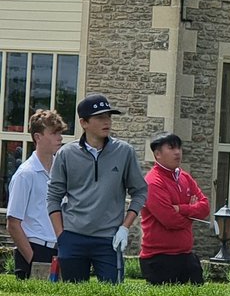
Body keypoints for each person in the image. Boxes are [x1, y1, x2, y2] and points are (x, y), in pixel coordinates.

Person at [46, 93, 147, 282]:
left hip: (109, 239)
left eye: (108, 116)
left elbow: (140, 191)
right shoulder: (66, 154)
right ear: (83, 122)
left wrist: (125, 227)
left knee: (113, 295)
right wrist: (61, 235)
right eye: (100, 117)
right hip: (73, 238)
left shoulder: (124, 152)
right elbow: (53, 196)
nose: (107, 121)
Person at [139, 131, 210, 285]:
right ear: (157, 154)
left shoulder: (185, 177)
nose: (177, 152)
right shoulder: (153, 182)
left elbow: (205, 207)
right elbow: (170, 220)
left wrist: (182, 209)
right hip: (160, 258)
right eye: (171, 148)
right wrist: (192, 212)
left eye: (179, 148)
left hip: (185, 255)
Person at [6, 109, 67, 279]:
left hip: (59, 249)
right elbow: (13, 223)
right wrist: (33, 260)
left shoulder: (61, 172)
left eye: (60, 133)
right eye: (54, 133)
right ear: (37, 137)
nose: (60, 138)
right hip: (35, 249)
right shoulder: (25, 174)